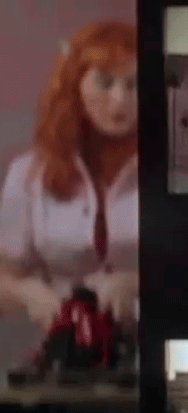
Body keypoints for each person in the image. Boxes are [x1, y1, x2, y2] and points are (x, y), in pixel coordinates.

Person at [0, 20, 138, 333]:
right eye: (105, 82)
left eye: (134, 85)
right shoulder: (29, 174)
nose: (120, 99)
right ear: (75, 84)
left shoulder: (172, 171)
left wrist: (138, 283)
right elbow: (3, 278)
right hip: (66, 347)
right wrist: (26, 293)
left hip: (161, 345)